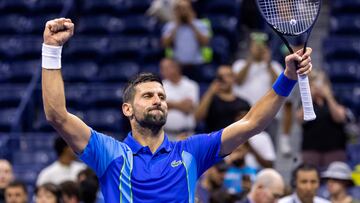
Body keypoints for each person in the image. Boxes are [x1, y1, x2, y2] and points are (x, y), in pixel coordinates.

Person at [41, 18, 313, 202]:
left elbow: (252, 122)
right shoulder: (109, 153)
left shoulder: (190, 152)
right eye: (147, 96)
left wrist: (287, 77)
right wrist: (51, 50)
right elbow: (57, 115)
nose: (158, 99)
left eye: (161, 95)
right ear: (127, 109)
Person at [195, 65, 276, 169]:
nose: (223, 79)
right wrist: (210, 92)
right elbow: (197, 118)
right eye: (220, 76)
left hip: (237, 144)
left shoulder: (243, 103)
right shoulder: (211, 100)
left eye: (227, 76)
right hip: (214, 146)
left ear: (233, 78)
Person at [232, 32, 283, 146]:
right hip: (243, 114)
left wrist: (268, 63)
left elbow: (280, 85)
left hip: (268, 114)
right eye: (255, 46)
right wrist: (250, 59)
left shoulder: (275, 66)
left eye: (261, 46)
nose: (258, 49)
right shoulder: (239, 64)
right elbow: (238, 80)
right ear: (250, 48)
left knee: (268, 149)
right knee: (239, 146)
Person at [297, 70, 348, 170]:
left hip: (334, 149)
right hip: (311, 150)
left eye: (321, 83)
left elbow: (340, 118)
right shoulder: (305, 101)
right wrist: (309, 95)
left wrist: (328, 97)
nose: (318, 87)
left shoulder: (336, 99)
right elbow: (299, 119)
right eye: (314, 83)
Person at [159, 58, 199, 140]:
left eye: (167, 68)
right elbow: (160, 107)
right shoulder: (160, 86)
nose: (163, 71)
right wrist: (180, 104)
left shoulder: (191, 85)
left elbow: (188, 107)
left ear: (177, 68)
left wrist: (169, 104)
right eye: (162, 69)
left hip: (187, 134)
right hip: (165, 135)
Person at [161, 0, 210, 66]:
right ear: (176, 11)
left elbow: (205, 43)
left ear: (190, 9)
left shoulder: (200, 24)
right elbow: (165, 44)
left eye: (184, 9)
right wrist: (177, 25)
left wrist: (192, 24)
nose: (183, 12)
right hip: (178, 65)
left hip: (197, 64)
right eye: (180, 9)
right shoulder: (170, 26)